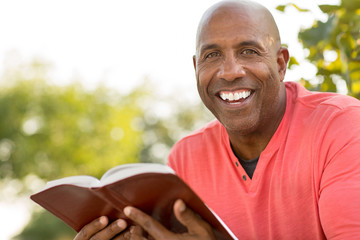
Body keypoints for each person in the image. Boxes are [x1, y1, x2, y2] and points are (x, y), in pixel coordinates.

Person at [74, 0, 360, 239]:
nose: (229, 71)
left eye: (248, 51)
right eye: (212, 55)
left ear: (280, 62)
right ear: (197, 68)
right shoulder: (185, 160)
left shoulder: (343, 127)